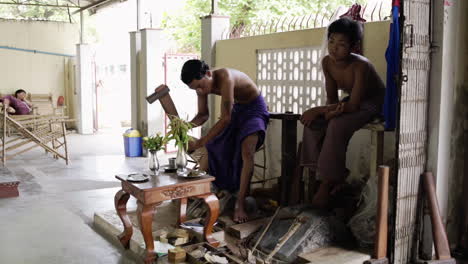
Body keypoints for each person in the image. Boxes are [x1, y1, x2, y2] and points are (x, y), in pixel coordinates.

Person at [297, 17, 385, 209]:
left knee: (337, 125)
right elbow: (332, 99)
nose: (334, 48)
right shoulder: (327, 62)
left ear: (354, 46)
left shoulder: (361, 65)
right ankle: (322, 174)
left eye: (341, 44)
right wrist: (326, 113)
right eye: (331, 42)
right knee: (314, 123)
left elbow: (354, 106)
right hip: (350, 102)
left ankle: (328, 182)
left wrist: (319, 110)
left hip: (371, 103)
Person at [177, 59, 269, 223]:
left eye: (200, 85)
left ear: (208, 74)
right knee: (215, 146)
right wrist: (184, 127)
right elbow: (203, 115)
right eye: (195, 89)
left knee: (247, 152)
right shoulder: (201, 88)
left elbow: (225, 118)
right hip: (237, 110)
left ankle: (240, 204)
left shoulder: (226, 77)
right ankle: (222, 190)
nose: (199, 90)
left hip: (254, 109)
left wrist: (200, 142)